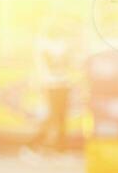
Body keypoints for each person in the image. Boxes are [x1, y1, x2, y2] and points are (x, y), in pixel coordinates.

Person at [24, 14, 82, 154]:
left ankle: (60, 148)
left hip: (63, 84)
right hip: (51, 84)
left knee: (62, 117)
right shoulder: (43, 44)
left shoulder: (61, 43)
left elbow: (71, 57)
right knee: (53, 115)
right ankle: (34, 144)